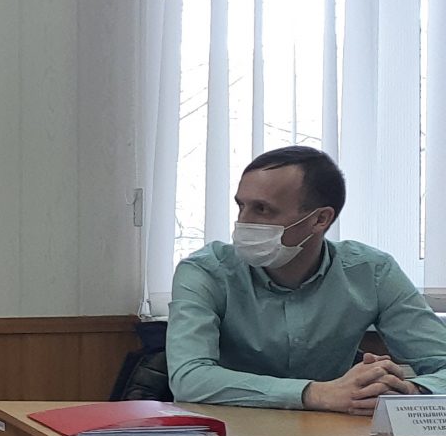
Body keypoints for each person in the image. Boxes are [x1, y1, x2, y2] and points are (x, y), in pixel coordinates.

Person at [167, 147, 446, 410]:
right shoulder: (205, 271)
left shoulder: (372, 272)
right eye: (241, 205)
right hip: (232, 433)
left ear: (320, 219)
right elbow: (188, 379)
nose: (243, 222)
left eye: (262, 209)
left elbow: (441, 362)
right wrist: (315, 393)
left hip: (333, 434)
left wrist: (407, 391)